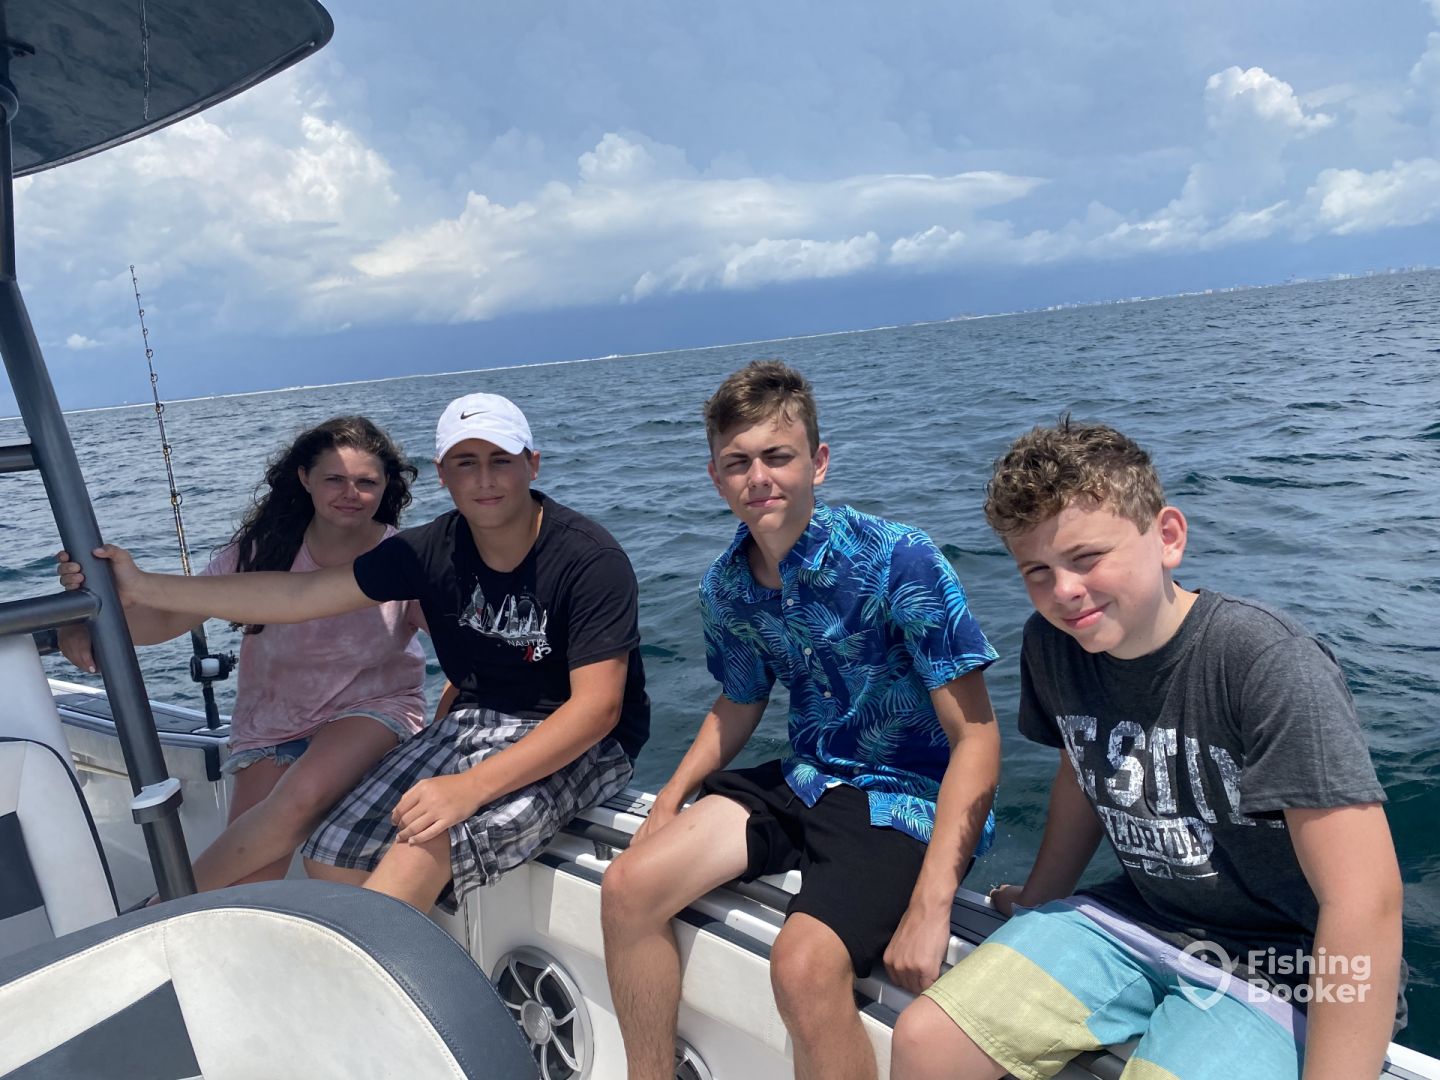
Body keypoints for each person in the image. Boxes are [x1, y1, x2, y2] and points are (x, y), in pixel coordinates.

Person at [891, 418, 1406, 1080]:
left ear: (1168, 537)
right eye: (1037, 571)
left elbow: (1365, 902)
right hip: (1139, 915)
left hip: (1282, 963)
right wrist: (1041, 897)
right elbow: (1084, 770)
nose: (1064, 591)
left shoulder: (1267, 663)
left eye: (1086, 557)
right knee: (924, 1037)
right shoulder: (1054, 645)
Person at [66, 393, 650, 915]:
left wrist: (468, 786)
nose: (484, 479)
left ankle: (362, 984)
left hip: (567, 732)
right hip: (434, 721)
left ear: (533, 464)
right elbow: (297, 596)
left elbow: (597, 709)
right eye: (465, 463)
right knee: (325, 853)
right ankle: (184, 923)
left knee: (415, 846)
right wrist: (136, 588)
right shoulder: (425, 551)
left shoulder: (587, 557)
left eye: (501, 460)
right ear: (442, 474)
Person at [601, 360, 1001, 1080]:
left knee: (803, 966)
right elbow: (740, 698)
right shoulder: (726, 586)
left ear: (818, 462)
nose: (759, 477)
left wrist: (932, 902)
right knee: (628, 889)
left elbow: (976, 736)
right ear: (716, 478)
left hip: (904, 799)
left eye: (777, 456)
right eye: (738, 463)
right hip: (808, 777)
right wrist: (671, 796)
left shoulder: (899, 560)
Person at [56, 416, 429, 895]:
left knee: (300, 796)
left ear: (386, 486)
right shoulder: (260, 552)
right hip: (273, 723)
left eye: (366, 482)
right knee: (248, 885)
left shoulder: (402, 557)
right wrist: (85, 619)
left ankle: (162, 908)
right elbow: (167, 621)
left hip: (374, 709)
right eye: (334, 479)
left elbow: (458, 637)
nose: (350, 493)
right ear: (304, 478)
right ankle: (187, 919)